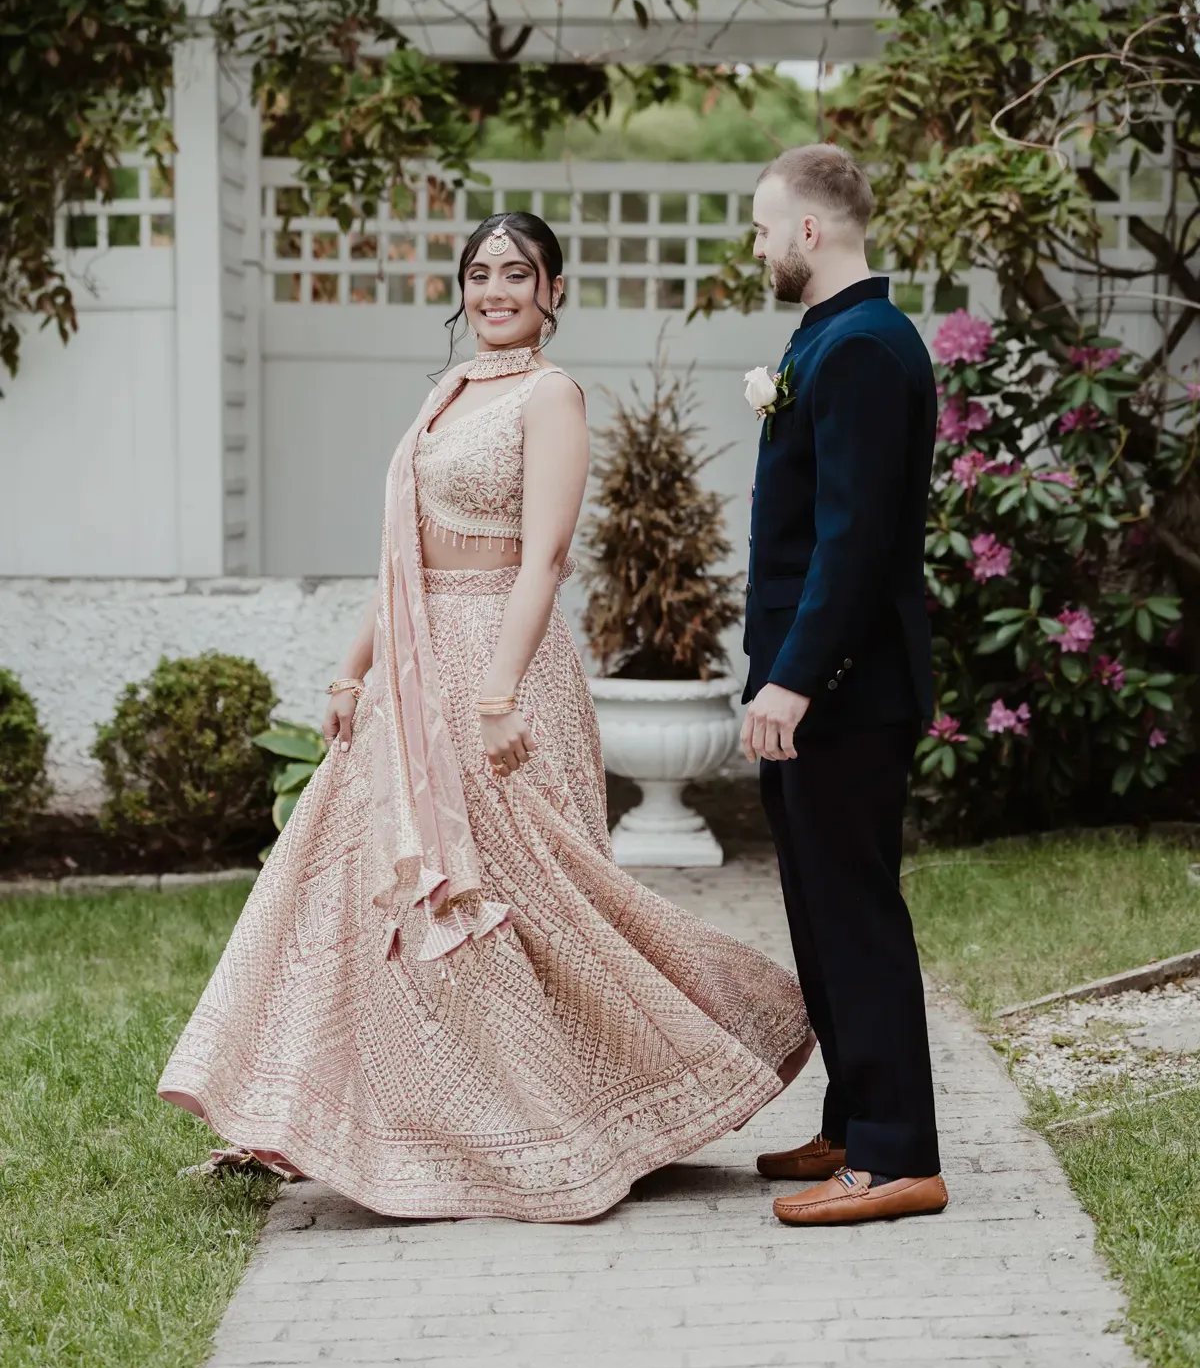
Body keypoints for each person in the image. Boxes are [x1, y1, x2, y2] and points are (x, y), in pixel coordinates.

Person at [159, 210, 811, 1222]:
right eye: (480, 273)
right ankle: (320, 1124)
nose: (495, 290)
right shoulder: (448, 392)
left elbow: (543, 560)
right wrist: (349, 673)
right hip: (413, 667)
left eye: (517, 273)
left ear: (554, 291)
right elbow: (401, 557)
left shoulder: (552, 397)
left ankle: (590, 1109)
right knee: (358, 893)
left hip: (502, 660)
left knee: (531, 893)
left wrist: (498, 696)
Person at [740, 144, 948, 1227]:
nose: (758, 245)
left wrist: (794, 680)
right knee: (822, 915)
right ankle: (854, 1120)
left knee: (855, 915)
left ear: (810, 230)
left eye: (764, 226)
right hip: (819, 683)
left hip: (844, 690)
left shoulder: (864, 346)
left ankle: (900, 1153)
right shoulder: (832, 335)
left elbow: (854, 541)